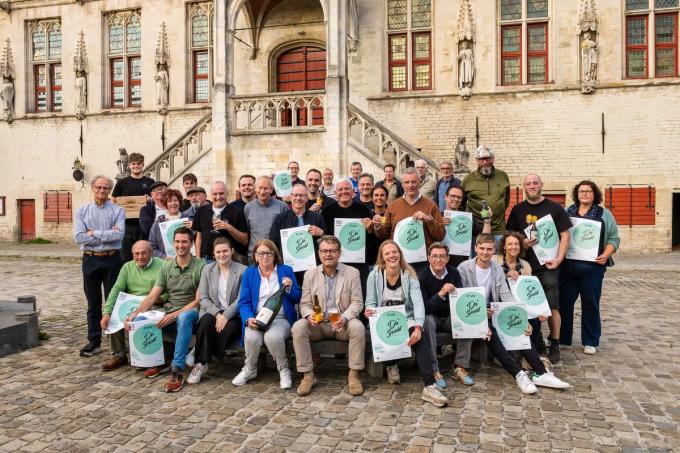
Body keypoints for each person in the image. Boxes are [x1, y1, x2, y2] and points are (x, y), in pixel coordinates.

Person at [457, 234, 570, 394]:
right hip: (472, 312)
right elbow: (461, 298)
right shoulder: (464, 268)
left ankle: (540, 373)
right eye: (482, 248)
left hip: (493, 309)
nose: (485, 252)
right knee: (491, 333)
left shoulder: (496, 269)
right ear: (475, 248)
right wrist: (480, 316)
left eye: (489, 249)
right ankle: (518, 374)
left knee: (518, 326)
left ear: (494, 250)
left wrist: (522, 319)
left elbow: (506, 296)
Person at [364, 240, 448, 407]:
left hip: (406, 318)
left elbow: (418, 304)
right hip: (383, 319)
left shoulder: (409, 274)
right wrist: (369, 311)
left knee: (420, 337)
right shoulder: (374, 275)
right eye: (387, 253)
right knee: (384, 334)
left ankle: (429, 385)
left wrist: (418, 327)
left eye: (394, 252)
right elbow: (370, 302)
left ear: (400, 254)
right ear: (382, 257)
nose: (392, 255)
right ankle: (391, 364)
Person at [126, 227, 205, 392]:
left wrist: (174, 315)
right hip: (170, 310)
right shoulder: (166, 267)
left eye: (184, 242)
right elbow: (152, 297)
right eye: (177, 241)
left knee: (183, 317)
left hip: (192, 313)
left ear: (191, 244)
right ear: (173, 243)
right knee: (142, 318)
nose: (180, 245)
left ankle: (177, 369)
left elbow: (198, 301)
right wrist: (135, 314)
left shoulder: (201, 266)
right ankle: (156, 360)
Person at [506, 174, 572, 363]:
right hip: (525, 266)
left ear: (541, 185)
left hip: (548, 265)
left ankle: (555, 343)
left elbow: (565, 235)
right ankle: (534, 340)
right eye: (528, 184)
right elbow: (510, 235)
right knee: (526, 304)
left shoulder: (555, 208)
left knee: (552, 305)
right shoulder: (518, 209)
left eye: (535, 183)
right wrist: (522, 243)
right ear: (524, 187)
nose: (532, 186)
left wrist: (559, 259)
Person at [292, 236, 365, 396]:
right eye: (324, 251)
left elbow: (357, 303)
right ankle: (308, 376)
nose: (328, 254)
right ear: (319, 253)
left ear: (339, 253)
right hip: (318, 325)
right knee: (298, 327)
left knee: (358, 327)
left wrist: (344, 318)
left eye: (332, 251)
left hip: (342, 325)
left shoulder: (352, 273)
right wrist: (309, 315)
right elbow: (304, 304)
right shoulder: (310, 274)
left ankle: (354, 375)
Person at [560, 180, 620, 355]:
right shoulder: (567, 212)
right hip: (568, 268)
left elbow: (614, 239)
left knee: (590, 304)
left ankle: (590, 341)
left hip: (593, 269)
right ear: (576, 194)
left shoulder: (604, 214)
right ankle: (563, 338)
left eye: (588, 191)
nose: (584, 194)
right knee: (564, 303)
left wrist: (606, 254)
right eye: (581, 191)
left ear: (595, 194)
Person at [233, 240, 301, 389]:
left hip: (280, 318)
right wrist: (248, 318)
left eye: (269, 253)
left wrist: (289, 288)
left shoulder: (286, 270)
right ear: (255, 256)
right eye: (261, 253)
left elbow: (297, 297)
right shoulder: (249, 273)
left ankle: (283, 369)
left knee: (272, 337)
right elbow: (244, 302)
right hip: (257, 318)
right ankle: (250, 369)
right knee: (251, 337)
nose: (265, 256)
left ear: (274, 255)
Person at [74, 175, 125, 357]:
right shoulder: (82, 211)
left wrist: (93, 233)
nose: (102, 190)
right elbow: (79, 237)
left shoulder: (118, 210)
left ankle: (115, 344)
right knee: (93, 303)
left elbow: (119, 236)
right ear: (93, 188)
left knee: (113, 300)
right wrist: (107, 235)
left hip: (112, 259)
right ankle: (94, 341)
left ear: (110, 190)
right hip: (90, 259)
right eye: (99, 187)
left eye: (106, 188)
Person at [188, 238, 248, 384]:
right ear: (214, 254)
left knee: (229, 328)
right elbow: (203, 297)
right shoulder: (207, 269)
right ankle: (200, 364)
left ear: (231, 251)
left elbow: (241, 299)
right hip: (213, 311)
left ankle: (202, 354)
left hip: (234, 314)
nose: (222, 254)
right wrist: (217, 314)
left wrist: (226, 315)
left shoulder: (243, 270)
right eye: (218, 252)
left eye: (225, 251)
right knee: (205, 322)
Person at [100, 240, 166, 370]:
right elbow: (116, 289)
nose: (140, 257)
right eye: (136, 254)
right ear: (132, 254)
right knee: (114, 314)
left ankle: (148, 358)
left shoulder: (163, 265)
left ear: (151, 252)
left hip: (153, 303)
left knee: (144, 317)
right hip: (132, 302)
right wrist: (106, 312)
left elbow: (170, 291)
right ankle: (119, 355)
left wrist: (161, 298)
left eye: (143, 253)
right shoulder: (127, 267)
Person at [418, 242, 472, 389]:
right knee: (427, 322)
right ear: (429, 258)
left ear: (447, 258)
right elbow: (424, 307)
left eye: (442, 256)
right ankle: (434, 370)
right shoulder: (422, 276)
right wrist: (441, 294)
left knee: (466, 319)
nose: (438, 260)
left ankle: (460, 367)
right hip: (431, 317)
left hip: (449, 317)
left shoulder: (454, 273)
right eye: (435, 256)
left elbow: (460, 301)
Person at [374, 168, 445, 272]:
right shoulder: (392, 206)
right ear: (402, 184)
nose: (410, 185)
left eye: (414, 182)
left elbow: (441, 235)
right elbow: (384, 235)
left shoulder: (431, 205)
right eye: (407, 182)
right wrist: (378, 226)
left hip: (424, 263)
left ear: (419, 183)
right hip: (399, 262)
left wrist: (428, 220)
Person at [321, 179, 375, 296]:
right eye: (340, 189)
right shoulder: (327, 211)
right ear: (335, 193)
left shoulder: (363, 209)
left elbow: (370, 238)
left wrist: (370, 229)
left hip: (359, 263)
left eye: (347, 189)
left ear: (353, 192)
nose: (344, 192)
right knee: (337, 296)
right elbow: (325, 237)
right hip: (336, 263)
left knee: (360, 295)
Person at [270, 183, 327, 285]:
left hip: (312, 268)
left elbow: (328, 242)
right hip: (288, 268)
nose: (298, 198)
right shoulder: (281, 218)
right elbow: (273, 241)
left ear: (307, 198)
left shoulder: (317, 218)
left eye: (302, 195)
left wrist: (321, 233)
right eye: (295, 195)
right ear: (290, 197)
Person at [111, 152, 155, 263]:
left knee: (144, 256)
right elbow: (113, 200)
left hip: (144, 226)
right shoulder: (122, 183)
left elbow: (157, 200)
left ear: (143, 165)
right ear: (129, 165)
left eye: (139, 164)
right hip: (126, 226)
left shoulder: (150, 182)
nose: (136, 166)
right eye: (134, 164)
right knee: (125, 257)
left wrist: (151, 199)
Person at [461, 146, 510, 242]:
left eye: (488, 158)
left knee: (499, 252)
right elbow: (461, 204)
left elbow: (506, 200)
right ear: (476, 160)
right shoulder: (468, 179)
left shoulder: (503, 176)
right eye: (481, 159)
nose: (485, 162)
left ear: (493, 159)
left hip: (499, 230)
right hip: (477, 231)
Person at [193, 181, 249, 264]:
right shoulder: (201, 211)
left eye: (221, 193)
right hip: (207, 260)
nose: (218, 197)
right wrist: (198, 256)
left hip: (230, 260)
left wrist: (229, 228)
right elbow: (199, 236)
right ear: (210, 195)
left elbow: (245, 240)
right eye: (215, 194)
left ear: (227, 193)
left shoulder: (237, 212)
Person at [441, 185, 491, 267]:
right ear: (445, 197)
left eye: (459, 197)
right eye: (453, 196)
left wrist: (487, 220)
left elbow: (485, 237)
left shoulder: (467, 218)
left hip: (461, 264)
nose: (456, 199)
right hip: (440, 262)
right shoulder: (437, 216)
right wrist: (437, 224)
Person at [244, 176, 289, 260]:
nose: (262, 191)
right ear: (255, 189)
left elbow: (286, 231)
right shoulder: (248, 207)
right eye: (260, 188)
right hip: (254, 255)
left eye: (266, 188)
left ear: (271, 190)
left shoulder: (282, 206)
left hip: (275, 255)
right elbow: (248, 231)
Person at [149, 189, 193, 259]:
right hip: (166, 263)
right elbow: (151, 246)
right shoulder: (159, 222)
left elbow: (197, 241)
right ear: (166, 204)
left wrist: (194, 229)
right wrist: (163, 257)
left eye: (175, 200)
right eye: (169, 201)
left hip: (187, 260)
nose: (173, 203)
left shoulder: (188, 220)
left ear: (179, 202)